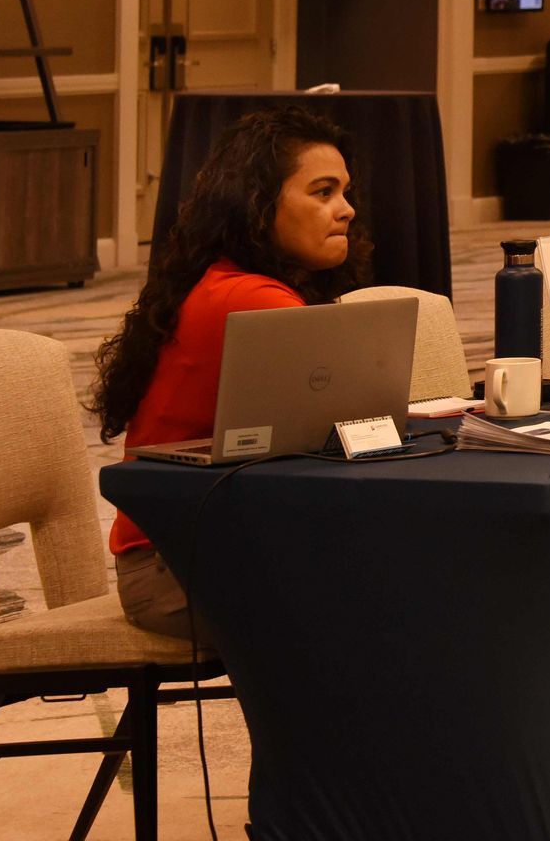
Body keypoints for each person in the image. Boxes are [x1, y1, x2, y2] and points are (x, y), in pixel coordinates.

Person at [90, 106, 373, 640]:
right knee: (391, 595)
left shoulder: (227, 281)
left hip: (190, 555)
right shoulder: (251, 300)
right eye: (323, 192)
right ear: (260, 207)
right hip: (177, 572)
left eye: (345, 191)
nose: (346, 210)